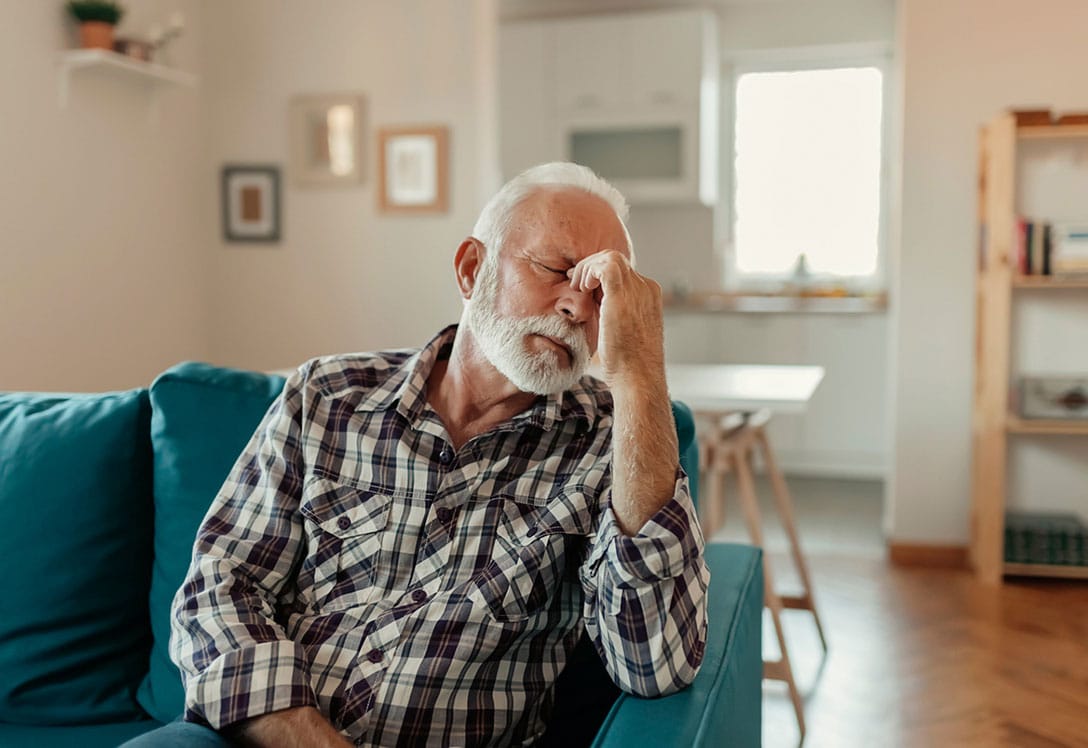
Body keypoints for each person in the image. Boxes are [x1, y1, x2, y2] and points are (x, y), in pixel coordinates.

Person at [127, 162, 708, 747]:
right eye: (557, 269)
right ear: (471, 269)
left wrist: (639, 374)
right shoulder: (328, 395)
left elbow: (657, 664)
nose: (578, 309)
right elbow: (220, 586)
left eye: (601, 295)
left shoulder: (609, 443)